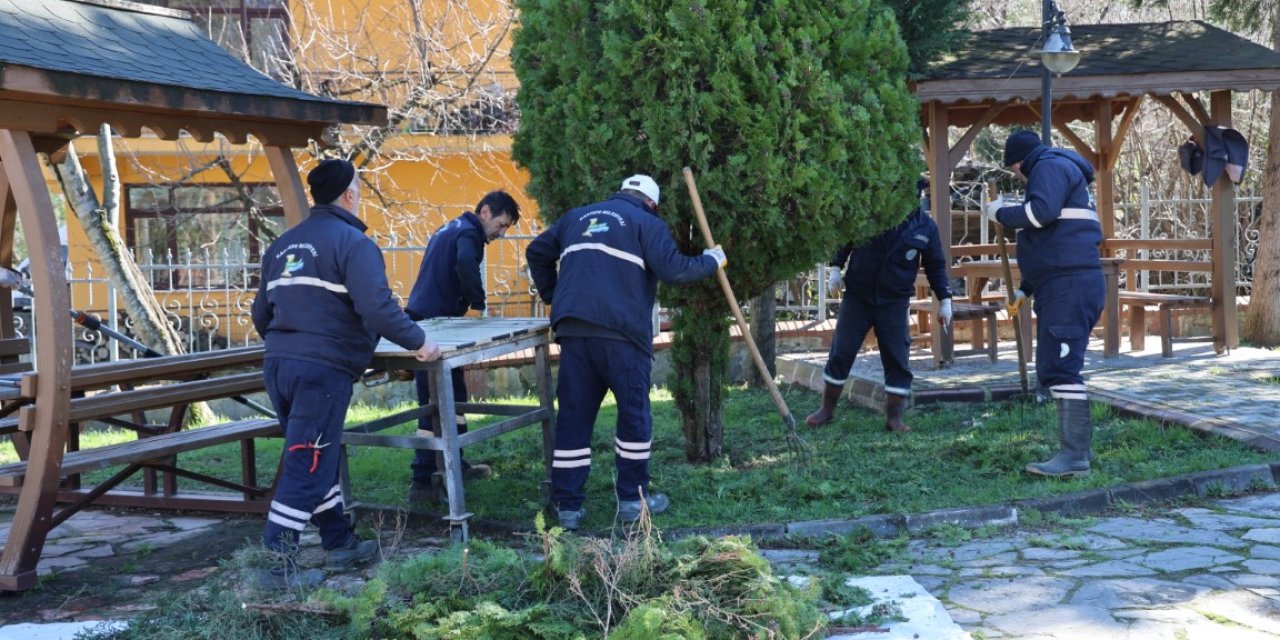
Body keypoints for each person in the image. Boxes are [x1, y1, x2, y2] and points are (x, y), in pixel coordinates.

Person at [251, 158, 441, 587]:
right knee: (308, 462)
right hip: (322, 370)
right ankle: (276, 564)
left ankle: (339, 543)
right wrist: (421, 342)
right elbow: (377, 308)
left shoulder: (282, 246)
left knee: (320, 454)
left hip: (279, 366)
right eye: (360, 188)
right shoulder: (354, 244)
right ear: (349, 194)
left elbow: (260, 314)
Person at [526, 174, 725, 530]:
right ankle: (633, 501)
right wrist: (712, 260)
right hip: (622, 336)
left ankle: (568, 508)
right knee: (633, 417)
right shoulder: (647, 223)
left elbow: (536, 251)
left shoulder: (577, 217)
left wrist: (553, 295)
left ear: (620, 192)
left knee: (573, 418)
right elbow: (675, 269)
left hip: (575, 330)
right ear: (652, 202)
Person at [983, 130, 1103, 477]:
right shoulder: (1063, 170)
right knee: (1056, 365)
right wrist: (1026, 288)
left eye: (1016, 172)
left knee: (1061, 369)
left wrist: (1002, 214)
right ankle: (1077, 451)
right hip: (1063, 282)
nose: (1020, 179)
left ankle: (1074, 458)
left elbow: (1040, 215)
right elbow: (1053, 242)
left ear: (1019, 163)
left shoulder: (1047, 167)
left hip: (1068, 286)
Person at [805, 180, 954, 432]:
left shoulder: (925, 227)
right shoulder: (870, 216)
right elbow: (846, 240)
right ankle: (826, 410)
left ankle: (894, 418)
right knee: (841, 351)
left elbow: (936, 265)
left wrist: (946, 300)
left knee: (897, 357)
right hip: (858, 297)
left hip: (894, 301)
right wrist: (834, 268)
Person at [403, 191, 521, 501]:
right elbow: (466, 263)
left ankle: (456, 462)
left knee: (454, 398)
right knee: (433, 403)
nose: (501, 233)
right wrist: (479, 305)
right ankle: (422, 479)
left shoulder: (451, 227)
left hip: (430, 322)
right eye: (501, 224)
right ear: (484, 212)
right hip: (433, 328)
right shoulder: (468, 233)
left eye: (507, 228)